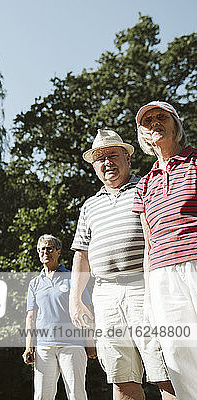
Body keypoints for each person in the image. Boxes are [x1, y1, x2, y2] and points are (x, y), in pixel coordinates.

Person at [69, 130, 175, 400]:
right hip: (105, 294)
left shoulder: (147, 187)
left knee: (165, 372)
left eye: (113, 156)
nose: (107, 163)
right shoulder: (89, 206)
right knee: (121, 378)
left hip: (144, 287)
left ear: (127, 157)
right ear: (94, 166)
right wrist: (75, 299)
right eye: (100, 159)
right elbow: (81, 255)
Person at [132, 100, 197, 398]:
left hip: (194, 263)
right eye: (148, 121)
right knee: (177, 354)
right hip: (161, 276)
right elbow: (148, 242)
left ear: (176, 125)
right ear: (142, 135)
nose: (155, 122)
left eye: (161, 117)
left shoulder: (196, 161)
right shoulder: (144, 184)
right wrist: (148, 295)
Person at [23, 234, 95, 400]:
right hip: (44, 346)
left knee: (76, 394)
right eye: (41, 249)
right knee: (42, 395)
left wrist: (90, 343)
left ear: (58, 252)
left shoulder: (72, 277)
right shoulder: (35, 283)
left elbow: (87, 310)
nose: (45, 252)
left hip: (72, 345)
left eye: (49, 248)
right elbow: (31, 317)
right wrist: (29, 346)